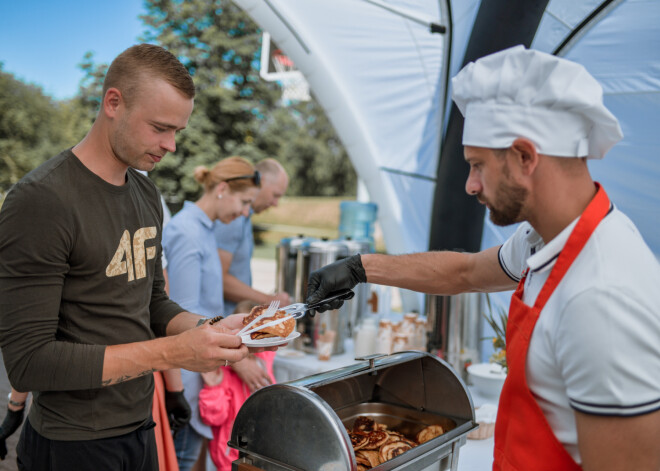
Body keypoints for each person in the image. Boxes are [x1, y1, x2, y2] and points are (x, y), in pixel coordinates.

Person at [305, 46, 660, 471]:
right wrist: (361, 268)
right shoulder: (546, 238)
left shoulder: (601, 296)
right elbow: (467, 271)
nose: (471, 186)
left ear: (525, 157)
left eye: (477, 165)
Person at [0, 44, 255, 471]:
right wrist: (173, 354)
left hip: (139, 428)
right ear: (113, 103)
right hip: (72, 443)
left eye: (178, 131)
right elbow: (29, 363)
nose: (171, 146)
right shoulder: (42, 200)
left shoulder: (145, 193)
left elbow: (152, 303)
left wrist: (211, 329)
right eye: (160, 128)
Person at [162, 156, 263, 471]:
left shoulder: (205, 228)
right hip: (189, 378)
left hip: (202, 372)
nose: (246, 212)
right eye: (245, 202)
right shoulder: (187, 232)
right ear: (222, 188)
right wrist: (237, 358)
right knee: (183, 460)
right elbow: (179, 317)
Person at [198, 300, 275, 471]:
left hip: (261, 451)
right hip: (230, 456)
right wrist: (213, 387)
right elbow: (213, 417)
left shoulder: (264, 364)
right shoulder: (223, 373)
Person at [214, 158, 291, 313]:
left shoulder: (245, 217)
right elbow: (219, 278)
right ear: (261, 182)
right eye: (275, 195)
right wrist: (268, 300)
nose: (275, 203)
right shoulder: (234, 218)